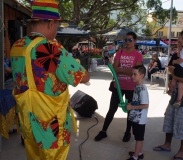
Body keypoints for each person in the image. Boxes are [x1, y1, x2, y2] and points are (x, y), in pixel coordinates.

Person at [10, 0, 90, 159]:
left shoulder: (17, 46)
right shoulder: (51, 48)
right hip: (50, 127)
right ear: (50, 23)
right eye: (57, 26)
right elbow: (84, 76)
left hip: (27, 122)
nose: (56, 30)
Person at [94, 31, 143, 142]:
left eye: (130, 40)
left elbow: (136, 72)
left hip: (131, 87)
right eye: (125, 40)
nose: (127, 42)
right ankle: (103, 131)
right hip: (118, 86)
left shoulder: (138, 55)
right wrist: (128, 71)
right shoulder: (119, 53)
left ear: (135, 41)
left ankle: (127, 132)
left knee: (130, 111)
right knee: (112, 110)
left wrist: (121, 70)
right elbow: (115, 69)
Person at [126, 65, 149, 160]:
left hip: (140, 119)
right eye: (132, 74)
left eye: (135, 74)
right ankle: (139, 152)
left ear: (142, 75)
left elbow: (145, 105)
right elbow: (137, 100)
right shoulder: (137, 87)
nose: (132, 76)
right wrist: (131, 103)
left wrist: (132, 107)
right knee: (138, 137)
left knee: (139, 138)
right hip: (136, 117)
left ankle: (135, 157)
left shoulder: (142, 90)